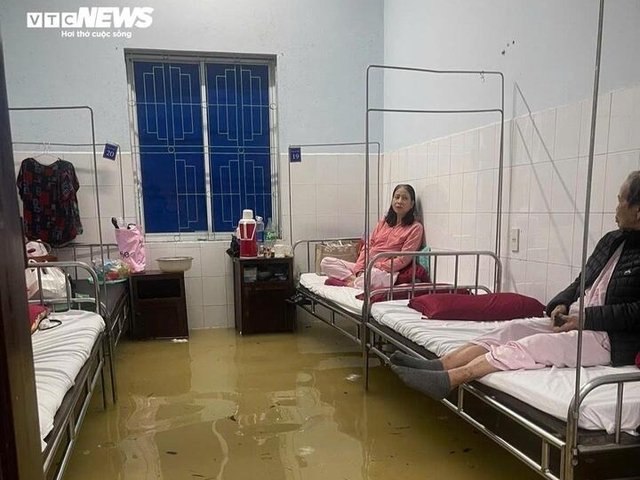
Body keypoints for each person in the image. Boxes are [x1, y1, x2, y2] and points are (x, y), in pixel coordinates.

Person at [390, 171, 640, 401]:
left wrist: (585, 319)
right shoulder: (612, 240)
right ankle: (441, 365)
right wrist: (561, 303)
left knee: (533, 345)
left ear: (638, 211)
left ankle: (451, 379)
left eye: (621, 200)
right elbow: (581, 281)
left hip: (609, 339)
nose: (616, 206)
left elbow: (635, 313)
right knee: (510, 330)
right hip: (575, 320)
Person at [320, 184, 424, 289]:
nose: (399, 201)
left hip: (384, 271)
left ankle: (347, 282)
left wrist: (377, 265)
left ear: (412, 204)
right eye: (397, 197)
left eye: (405, 198)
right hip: (366, 265)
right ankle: (354, 281)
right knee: (326, 262)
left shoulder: (415, 228)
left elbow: (403, 259)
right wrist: (359, 268)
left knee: (373, 276)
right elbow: (368, 246)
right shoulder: (384, 222)